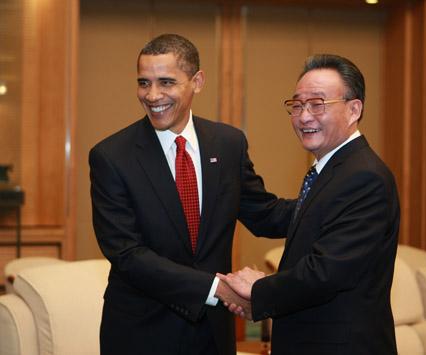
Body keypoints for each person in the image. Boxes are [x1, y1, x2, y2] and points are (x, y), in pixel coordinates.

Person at [89, 33, 293, 355]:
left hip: (212, 334)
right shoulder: (111, 157)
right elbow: (127, 254)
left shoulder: (228, 144)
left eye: (166, 82)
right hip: (141, 334)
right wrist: (218, 289)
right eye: (144, 83)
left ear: (197, 81)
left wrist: (326, 199)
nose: (152, 95)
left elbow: (265, 214)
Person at [218, 54, 400, 354]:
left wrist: (258, 289)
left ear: (354, 109)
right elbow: (276, 216)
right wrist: (227, 169)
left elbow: (325, 273)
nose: (304, 117)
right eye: (298, 105)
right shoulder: (333, 171)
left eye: (317, 104)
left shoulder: (365, 177)